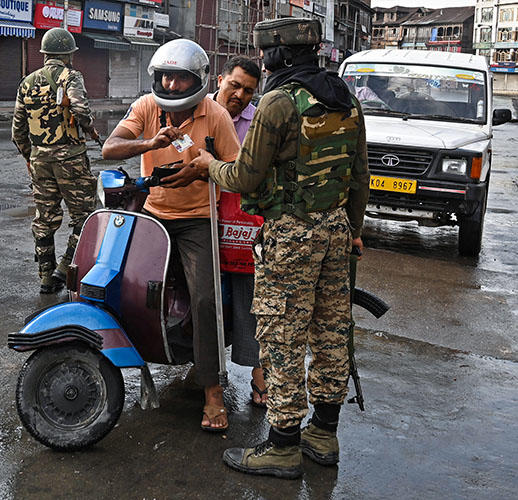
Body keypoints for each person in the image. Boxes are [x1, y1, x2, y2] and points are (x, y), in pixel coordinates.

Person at [191, 19, 370, 477]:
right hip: (335, 230)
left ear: (279, 56)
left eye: (267, 55)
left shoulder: (278, 101)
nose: (266, 63)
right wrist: (353, 229)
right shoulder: (345, 95)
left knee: (283, 336)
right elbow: (360, 175)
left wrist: (211, 164)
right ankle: (323, 433)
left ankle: (283, 445)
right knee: (331, 331)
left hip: (291, 233)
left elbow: (246, 177)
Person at [102, 39, 242, 432]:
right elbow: (110, 148)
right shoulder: (148, 107)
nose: (171, 84)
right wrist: (150, 142)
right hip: (153, 212)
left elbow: (235, 171)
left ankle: (212, 389)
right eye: (165, 76)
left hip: (198, 218)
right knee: (125, 283)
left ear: (196, 79)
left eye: (180, 77)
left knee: (204, 298)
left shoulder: (215, 115)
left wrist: (202, 170)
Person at [12, 28, 99, 294]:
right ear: (68, 54)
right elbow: (80, 109)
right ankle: (64, 266)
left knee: (45, 219)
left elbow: (18, 131)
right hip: (71, 159)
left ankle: (46, 278)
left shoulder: (26, 82)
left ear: (46, 53)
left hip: (40, 160)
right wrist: (89, 127)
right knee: (86, 216)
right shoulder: (71, 76)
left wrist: (31, 157)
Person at [210, 56, 268, 407]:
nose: (240, 95)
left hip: (243, 221)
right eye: (234, 85)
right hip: (199, 218)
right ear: (221, 79)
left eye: (248, 90)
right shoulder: (198, 111)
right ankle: (205, 371)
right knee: (204, 297)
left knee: (249, 296)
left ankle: (258, 375)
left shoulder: (259, 120)